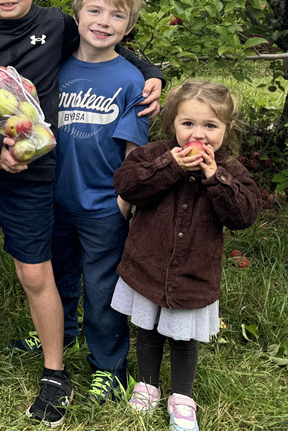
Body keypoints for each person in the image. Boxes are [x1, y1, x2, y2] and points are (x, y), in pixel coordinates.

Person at [0, 0, 164, 427]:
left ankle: (56, 372)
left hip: (33, 171)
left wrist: (152, 71)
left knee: (35, 271)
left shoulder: (55, 24)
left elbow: (108, 42)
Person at [112, 80, 262, 431]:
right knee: (147, 330)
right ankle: (147, 386)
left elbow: (244, 216)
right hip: (148, 266)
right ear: (172, 124)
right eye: (188, 124)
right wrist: (172, 166)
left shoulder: (230, 170)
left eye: (211, 126)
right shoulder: (154, 154)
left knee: (183, 338)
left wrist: (214, 176)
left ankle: (182, 398)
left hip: (194, 274)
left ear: (227, 130)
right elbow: (126, 185)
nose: (199, 134)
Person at [50, 0, 151, 404]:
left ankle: (109, 365)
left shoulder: (131, 80)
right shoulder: (55, 68)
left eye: (117, 15)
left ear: (128, 28)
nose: (104, 21)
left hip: (103, 205)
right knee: (56, 277)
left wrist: (122, 203)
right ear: (77, 15)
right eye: (94, 10)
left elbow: (134, 152)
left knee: (103, 287)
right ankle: (62, 335)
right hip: (54, 197)